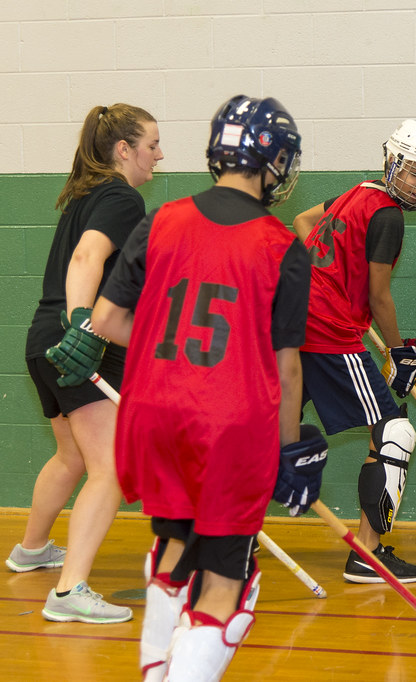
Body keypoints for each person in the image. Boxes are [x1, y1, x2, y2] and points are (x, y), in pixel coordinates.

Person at [88, 95, 325, 681]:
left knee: (174, 549)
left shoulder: (161, 218)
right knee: (228, 586)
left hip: (153, 416)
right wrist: (288, 452)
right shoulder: (281, 247)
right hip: (227, 426)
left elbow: (109, 320)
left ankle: (155, 668)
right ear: (272, 164)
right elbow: (287, 368)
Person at [6, 103, 163, 625]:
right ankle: (69, 590)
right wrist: (82, 324)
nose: (158, 156)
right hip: (78, 341)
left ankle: (31, 550)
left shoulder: (85, 196)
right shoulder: (120, 196)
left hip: (41, 341)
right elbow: (86, 259)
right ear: (125, 150)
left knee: (71, 456)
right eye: (151, 146)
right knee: (110, 468)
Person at [292, 119, 416, 584]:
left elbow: (303, 223)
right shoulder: (388, 217)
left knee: (266, 431)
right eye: (412, 172)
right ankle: (368, 554)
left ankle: (203, 528)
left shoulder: (358, 192)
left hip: (295, 326)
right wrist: (401, 352)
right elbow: (380, 295)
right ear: (393, 164)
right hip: (328, 336)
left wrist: (321, 284)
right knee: (395, 432)